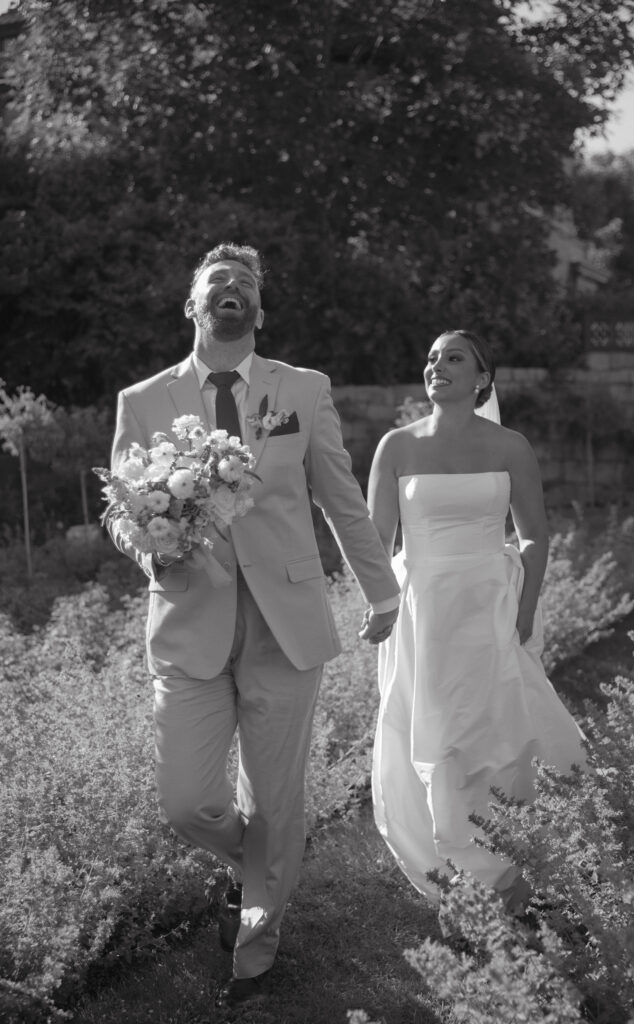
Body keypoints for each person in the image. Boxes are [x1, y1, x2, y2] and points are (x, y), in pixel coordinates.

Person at [107, 242, 400, 1006]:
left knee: (276, 801)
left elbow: (339, 497)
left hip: (286, 624)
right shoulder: (142, 400)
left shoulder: (301, 388)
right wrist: (153, 550)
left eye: (246, 282)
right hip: (187, 624)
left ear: (258, 308)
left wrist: (383, 592)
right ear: (192, 305)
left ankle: (254, 952)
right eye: (217, 280)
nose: (232, 287)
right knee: (185, 800)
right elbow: (122, 514)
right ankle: (255, 866)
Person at [368, 329, 587, 916]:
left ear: (483, 378)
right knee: (436, 736)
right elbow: (373, 541)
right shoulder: (396, 447)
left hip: (489, 604)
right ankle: (453, 874)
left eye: (454, 358)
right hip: (424, 613)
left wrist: (527, 604)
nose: (437, 365)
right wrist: (381, 604)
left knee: (494, 734)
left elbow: (534, 532)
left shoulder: (511, 446)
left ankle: (505, 869)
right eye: (432, 356)